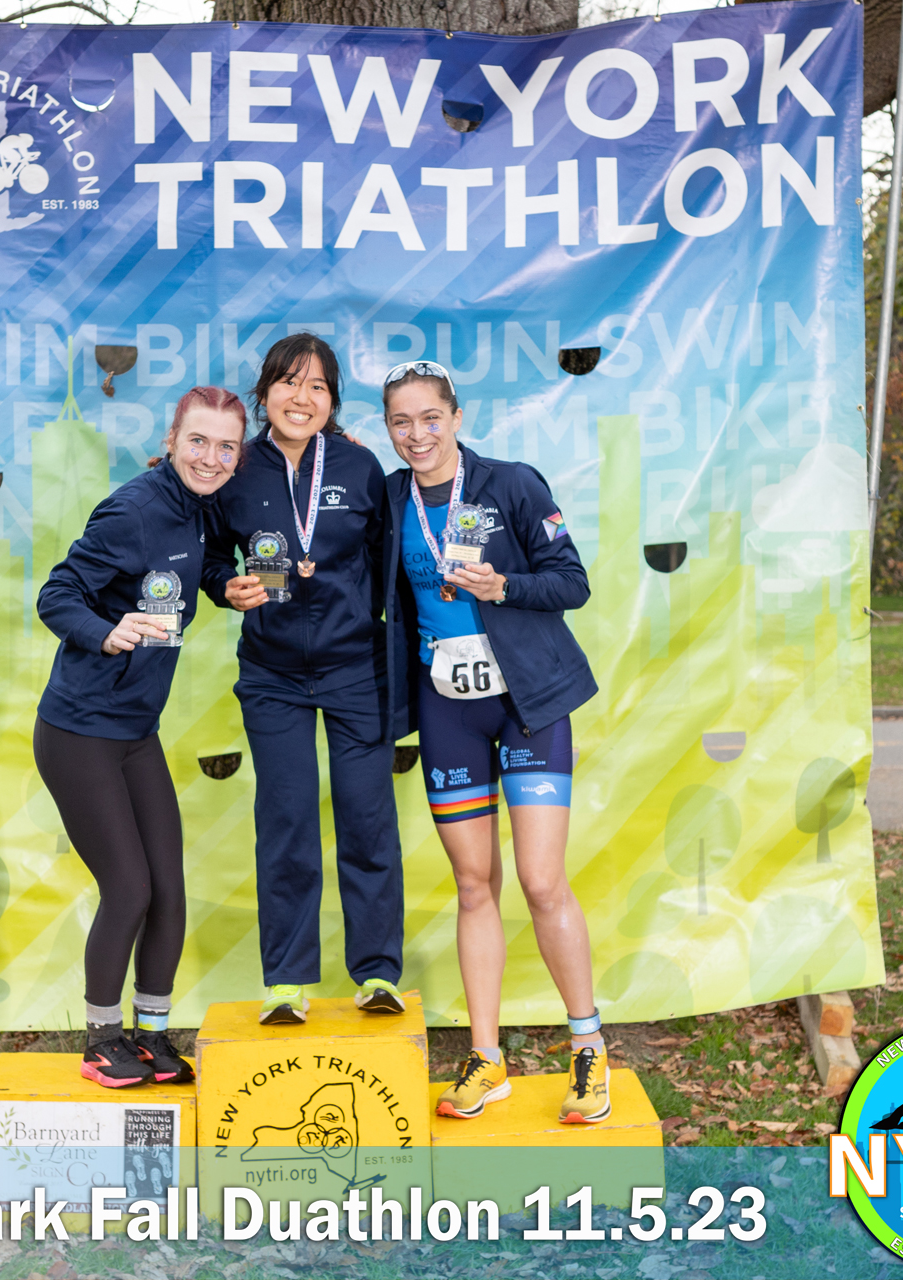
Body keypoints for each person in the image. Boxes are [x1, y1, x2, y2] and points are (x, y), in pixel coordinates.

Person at [381, 360, 603, 1123]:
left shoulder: (512, 484)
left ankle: (588, 1049)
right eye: (401, 422)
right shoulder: (391, 498)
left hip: (526, 702)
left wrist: (503, 586)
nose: (417, 434)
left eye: (429, 417)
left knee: (541, 881)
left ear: (456, 416)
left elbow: (571, 581)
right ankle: (486, 1058)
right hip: (448, 707)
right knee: (474, 884)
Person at [35, 387, 246, 1086]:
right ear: (171, 440)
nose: (211, 457)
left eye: (226, 446)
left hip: (135, 731)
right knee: (128, 888)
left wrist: (227, 585)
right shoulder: (131, 510)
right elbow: (57, 594)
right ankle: (102, 1042)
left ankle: (151, 1035)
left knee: (168, 890)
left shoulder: (201, 506)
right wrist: (106, 631)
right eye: (198, 441)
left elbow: (196, 564)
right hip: (79, 732)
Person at [201, 333, 405, 1026]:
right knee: (285, 820)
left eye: (318, 386)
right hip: (272, 675)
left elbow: (386, 564)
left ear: (332, 402)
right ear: (265, 393)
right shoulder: (236, 468)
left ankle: (377, 973)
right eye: (290, 381)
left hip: (356, 671)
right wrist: (224, 587)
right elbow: (211, 557)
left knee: (366, 818)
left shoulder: (359, 465)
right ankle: (286, 981)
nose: (302, 396)